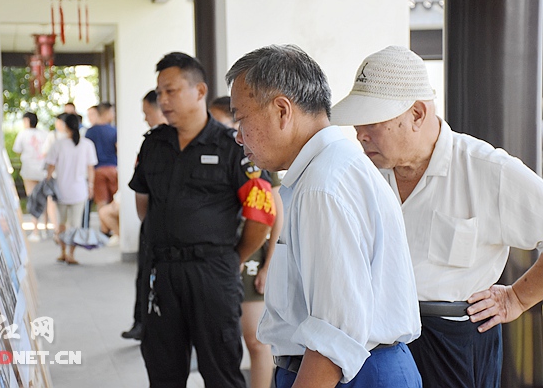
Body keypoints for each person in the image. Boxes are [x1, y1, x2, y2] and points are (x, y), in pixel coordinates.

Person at [330, 45, 543, 388]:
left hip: (452, 340)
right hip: (374, 339)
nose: (360, 134)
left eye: (372, 122)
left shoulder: (487, 170)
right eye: (358, 123)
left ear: (416, 114)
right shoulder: (365, 173)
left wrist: (518, 297)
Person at [226, 44, 422, 387]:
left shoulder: (323, 185)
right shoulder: (330, 168)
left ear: (282, 110)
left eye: (241, 119)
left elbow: (335, 334)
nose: (239, 137)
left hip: (351, 375)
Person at [128, 52, 276, 388]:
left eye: (171, 91)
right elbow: (144, 205)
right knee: (163, 369)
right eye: (159, 92)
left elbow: (261, 212)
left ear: (199, 91)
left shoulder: (233, 146)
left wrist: (231, 258)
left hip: (212, 273)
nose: (162, 100)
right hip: (161, 272)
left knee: (220, 369)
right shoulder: (154, 145)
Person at [210, 94, 284, 388]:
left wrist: (269, 265)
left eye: (222, 121)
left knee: (255, 340)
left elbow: (276, 215)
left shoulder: (258, 156)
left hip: (252, 260)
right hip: (218, 259)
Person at [121, 89, 168, 341]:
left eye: (147, 113)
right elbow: (141, 188)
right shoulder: (151, 142)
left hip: (166, 226)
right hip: (151, 223)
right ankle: (142, 322)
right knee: (144, 274)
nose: (145, 119)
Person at [46, 113, 97, 265]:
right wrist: (91, 186)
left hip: (61, 189)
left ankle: (62, 252)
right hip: (79, 189)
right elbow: (91, 169)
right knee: (75, 224)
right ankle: (71, 254)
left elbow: (50, 167)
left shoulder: (58, 144)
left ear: (65, 126)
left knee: (61, 223)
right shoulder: (87, 144)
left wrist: (47, 184)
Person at [12, 112, 49, 242]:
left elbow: (17, 149)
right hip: (43, 170)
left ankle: (35, 231)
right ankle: (45, 228)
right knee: (44, 198)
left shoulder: (23, 134)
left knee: (32, 198)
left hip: (29, 170)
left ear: (27, 121)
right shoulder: (44, 133)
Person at [85, 102, 118, 208]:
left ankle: (104, 224)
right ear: (106, 113)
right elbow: (118, 149)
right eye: (112, 112)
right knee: (115, 202)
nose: (114, 114)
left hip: (97, 170)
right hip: (113, 169)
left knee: (101, 203)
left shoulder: (89, 132)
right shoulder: (114, 131)